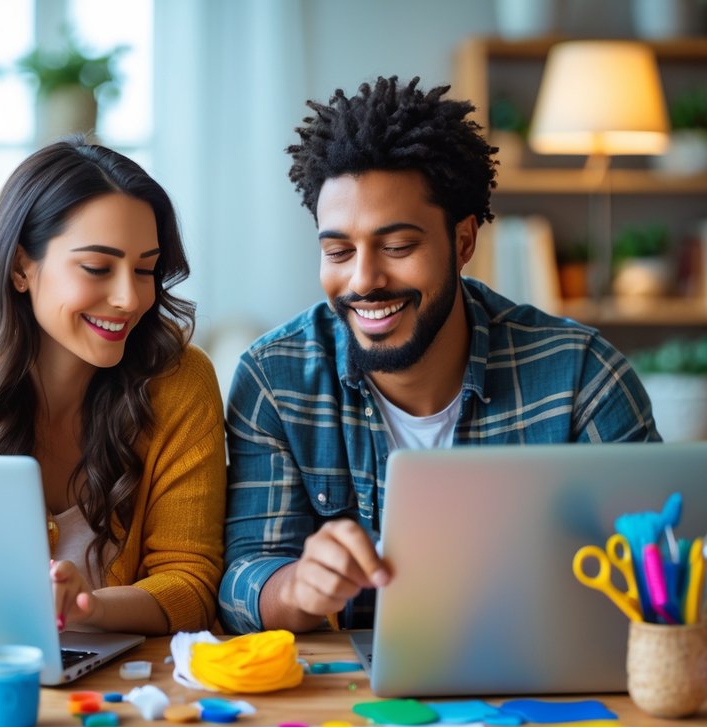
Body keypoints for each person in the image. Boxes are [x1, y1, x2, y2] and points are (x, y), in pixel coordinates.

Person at [219, 77, 660, 635]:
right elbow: (242, 581)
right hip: (357, 708)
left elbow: (660, 577)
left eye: (398, 247)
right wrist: (301, 586)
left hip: (546, 688)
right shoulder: (275, 378)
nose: (365, 280)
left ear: (464, 241)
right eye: (338, 251)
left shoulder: (582, 375)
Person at [0, 138, 226, 636]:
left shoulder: (180, 383)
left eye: (145, 269)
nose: (129, 298)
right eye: (97, 268)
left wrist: (90, 608)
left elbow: (191, 585)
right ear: (22, 267)